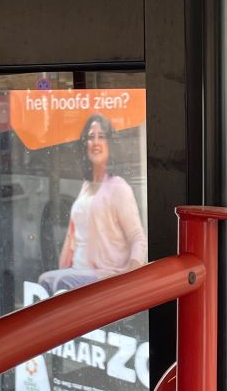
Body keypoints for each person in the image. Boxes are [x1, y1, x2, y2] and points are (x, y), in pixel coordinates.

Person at [38, 113, 147, 295]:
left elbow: (138, 238)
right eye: (90, 137)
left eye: (101, 136)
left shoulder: (118, 187)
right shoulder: (86, 186)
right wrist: (62, 268)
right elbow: (72, 236)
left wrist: (130, 279)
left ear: (110, 144)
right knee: (50, 281)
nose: (95, 142)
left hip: (105, 276)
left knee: (48, 281)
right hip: (78, 273)